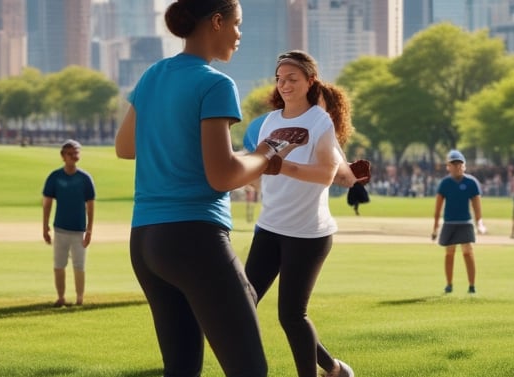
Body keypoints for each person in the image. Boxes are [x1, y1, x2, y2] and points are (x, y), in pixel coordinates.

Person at [114, 1, 305, 375]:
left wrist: (173, 135)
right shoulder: (216, 83)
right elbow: (224, 175)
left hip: (146, 243)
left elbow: (126, 146)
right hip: (194, 239)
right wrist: (266, 153)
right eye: (237, 24)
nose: (239, 34)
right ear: (217, 22)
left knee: (181, 369)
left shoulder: (153, 74)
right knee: (250, 369)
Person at [243, 50, 359, 377]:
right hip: (269, 227)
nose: (284, 85)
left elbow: (326, 174)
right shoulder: (271, 121)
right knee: (243, 304)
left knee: (292, 315)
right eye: (280, 79)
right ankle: (336, 370)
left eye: (292, 79)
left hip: (308, 234)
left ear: (310, 81)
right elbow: (260, 169)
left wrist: (284, 166)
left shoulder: (320, 121)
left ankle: (326, 372)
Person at [41, 139, 96, 307]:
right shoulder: (55, 177)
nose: (74, 156)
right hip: (60, 229)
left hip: (78, 230)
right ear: (63, 156)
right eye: (70, 154)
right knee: (59, 264)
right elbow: (47, 203)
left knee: (79, 265)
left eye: (76, 153)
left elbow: (90, 206)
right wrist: (45, 226)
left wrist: (89, 230)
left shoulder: (85, 179)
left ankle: (79, 298)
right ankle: (61, 297)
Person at [432, 150, 484, 295]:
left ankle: (472, 285)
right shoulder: (445, 183)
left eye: (459, 164)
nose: (457, 167)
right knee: (449, 253)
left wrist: (479, 222)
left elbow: (476, 205)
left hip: (465, 222)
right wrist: (435, 227)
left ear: (464, 166)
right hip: (449, 222)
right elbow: (438, 207)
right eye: (453, 164)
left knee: (467, 252)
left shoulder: (471, 182)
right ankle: (449, 284)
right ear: (448, 166)